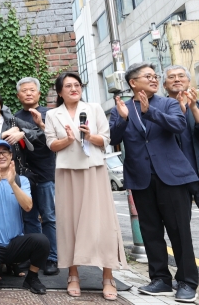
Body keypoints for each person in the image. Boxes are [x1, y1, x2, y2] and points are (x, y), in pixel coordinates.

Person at [110, 62, 198, 302]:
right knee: (150, 232)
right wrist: (124, 120)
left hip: (172, 177)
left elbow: (179, 125)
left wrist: (151, 112)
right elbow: (113, 139)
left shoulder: (168, 103)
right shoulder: (120, 108)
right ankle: (160, 279)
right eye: (147, 76)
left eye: (155, 76)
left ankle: (187, 281)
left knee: (179, 231)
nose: (154, 79)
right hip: (141, 178)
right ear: (132, 82)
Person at [46, 72, 127, 301]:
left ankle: (108, 275)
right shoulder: (53, 114)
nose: (74, 89)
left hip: (94, 170)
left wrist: (90, 136)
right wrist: (68, 140)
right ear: (60, 91)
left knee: (102, 222)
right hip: (66, 172)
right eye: (68, 86)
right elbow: (51, 144)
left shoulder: (93, 108)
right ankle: (73, 274)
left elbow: (106, 139)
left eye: (77, 85)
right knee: (69, 222)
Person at [0, 139, 49, 295]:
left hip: (14, 243)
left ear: (11, 155)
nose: (1, 156)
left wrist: (13, 183)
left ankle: (31, 278)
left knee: (42, 241)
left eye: (4, 152)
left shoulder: (22, 180)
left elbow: (28, 206)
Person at [14, 78, 58, 276]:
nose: (28, 93)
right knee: (29, 217)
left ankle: (52, 258)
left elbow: (54, 140)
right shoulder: (14, 118)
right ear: (18, 96)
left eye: (32, 90)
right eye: (24, 91)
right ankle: (33, 257)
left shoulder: (50, 114)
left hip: (46, 172)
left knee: (49, 217)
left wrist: (40, 125)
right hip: (24, 176)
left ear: (39, 94)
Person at [0, 90, 43, 177]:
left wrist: (23, 133)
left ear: (0, 102)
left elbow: (38, 132)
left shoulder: (13, 121)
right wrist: (6, 133)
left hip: (14, 171)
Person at [162, 65, 199, 205]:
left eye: (181, 76)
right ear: (165, 85)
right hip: (176, 177)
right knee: (180, 224)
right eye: (171, 77)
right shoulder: (157, 110)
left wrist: (193, 108)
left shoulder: (197, 106)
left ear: (189, 82)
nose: (177, 79)